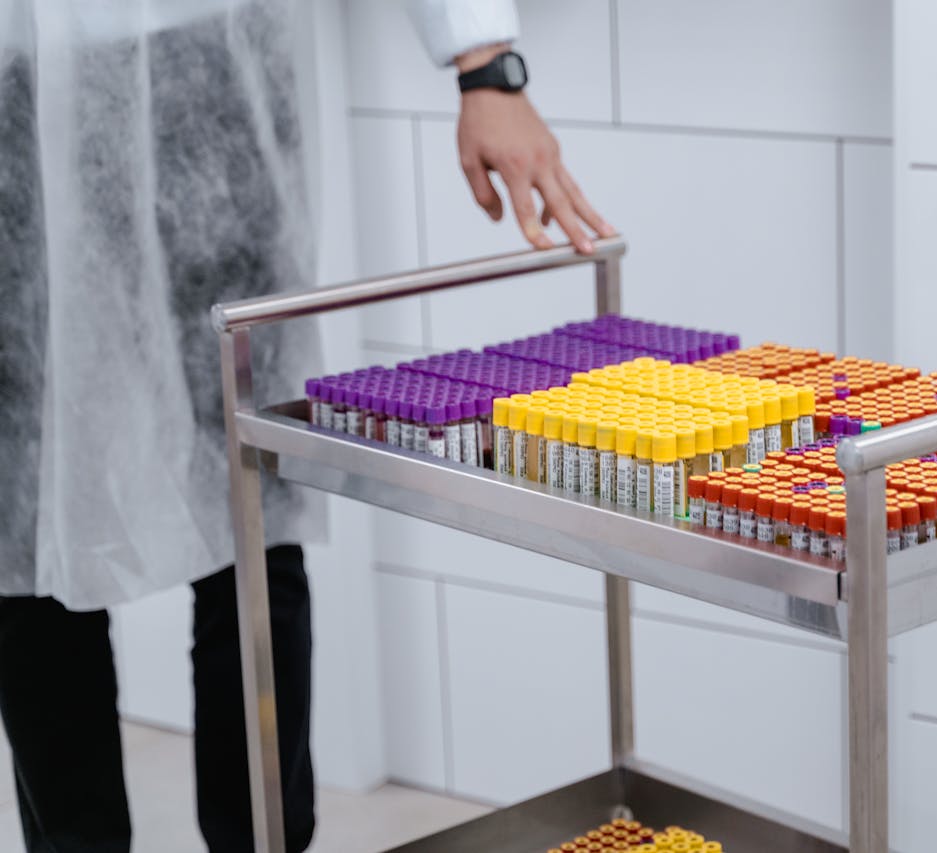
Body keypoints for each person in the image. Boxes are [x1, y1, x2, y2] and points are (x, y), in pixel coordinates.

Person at [0, 1, 610, 850]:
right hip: (13, 85)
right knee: (27, 525)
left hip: (207, 53)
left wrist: (485, 62)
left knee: (253, 495)